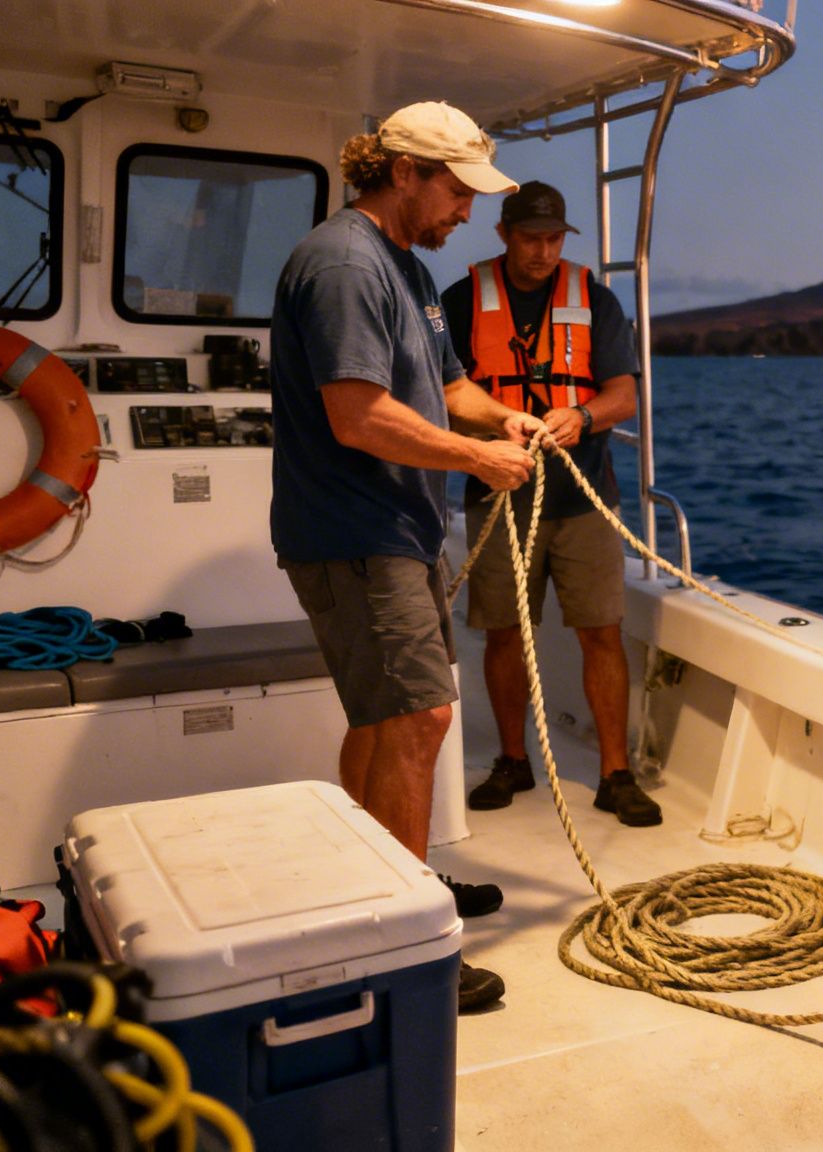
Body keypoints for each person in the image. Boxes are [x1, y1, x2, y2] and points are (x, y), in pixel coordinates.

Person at [269, 101, 539, 1014]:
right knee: (419, 718)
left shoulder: (405, 269)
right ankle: (403, 939)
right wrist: (478, 459)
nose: (468, 212)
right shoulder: (347, 264)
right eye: (458, 190)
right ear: (404, 172)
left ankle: (387, 881)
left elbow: (449, 383)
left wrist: (499, 416)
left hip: (397, 530)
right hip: (357, 535)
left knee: (388, 718)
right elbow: (358, 416)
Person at [440, 182, 656, 827]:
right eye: (530, 237)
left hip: (583, 499)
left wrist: (583, 415)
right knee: (504, 633)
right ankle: (513, 761)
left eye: (553, 238)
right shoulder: (459, 301)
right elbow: (445, 394)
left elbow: (624, 397)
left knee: (602, 632)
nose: (541, 250)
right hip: (498, 492)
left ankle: (616, 774)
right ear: (504, 233)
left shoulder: (595, 298)